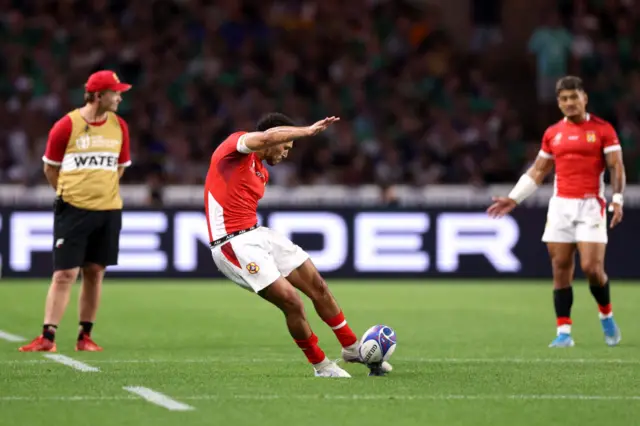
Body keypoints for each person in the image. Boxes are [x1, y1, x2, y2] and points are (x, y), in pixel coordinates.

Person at [204, 112, 392, 377]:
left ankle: (351, 347)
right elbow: (268, 136)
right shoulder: (234, 148)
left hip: (258, 233)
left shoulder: (262, 172)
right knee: (292, 302)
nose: (286, 153)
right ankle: (321, 365)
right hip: (232, 243)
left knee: (318, 286)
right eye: (286, 145)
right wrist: (306, 131)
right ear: (272, 138)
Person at [487, 76, 625, 348]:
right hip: (560, 205)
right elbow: (538, 171)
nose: (569, 103)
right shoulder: (553, 133)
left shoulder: (603, 129)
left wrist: (617, 199)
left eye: (574, 97)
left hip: (590, 205)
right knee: (561, 268)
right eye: (564, 99)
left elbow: (616, 166)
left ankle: (606, 314)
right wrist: (514, 199)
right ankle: (564, 331)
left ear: (584, 98)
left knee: (591, 268)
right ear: (559, 103)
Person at [19, 71, 132, 352]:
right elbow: (50, 167)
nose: (119, 97)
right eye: (114, 92)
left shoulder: (119, 126)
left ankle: (85, 336)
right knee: (64, 274)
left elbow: (120, 167)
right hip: (73, 210)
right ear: (98, 95)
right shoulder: (66, 126)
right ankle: (48, 336)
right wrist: (67, 194)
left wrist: (102, 190)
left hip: (108, 211)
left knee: (95, 272)